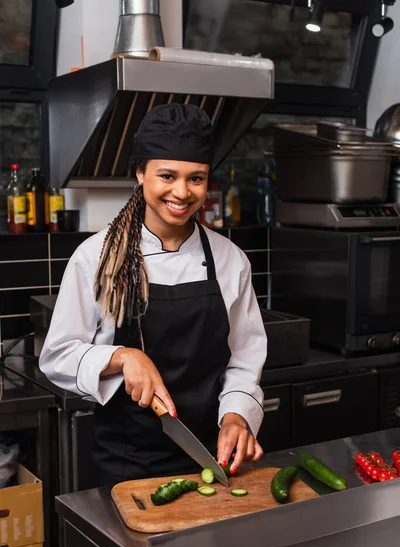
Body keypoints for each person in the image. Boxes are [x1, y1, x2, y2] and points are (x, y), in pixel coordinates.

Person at [40, 103, 267, 486]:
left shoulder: (230, 260)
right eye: (167, 175)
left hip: (213, 457)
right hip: (128, 465)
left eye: (196, 178)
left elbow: (244, 360)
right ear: (140, 173)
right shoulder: (97, 257)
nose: (182, 192)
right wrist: (122, 356)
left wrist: (237, 416)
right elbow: (57, 356)